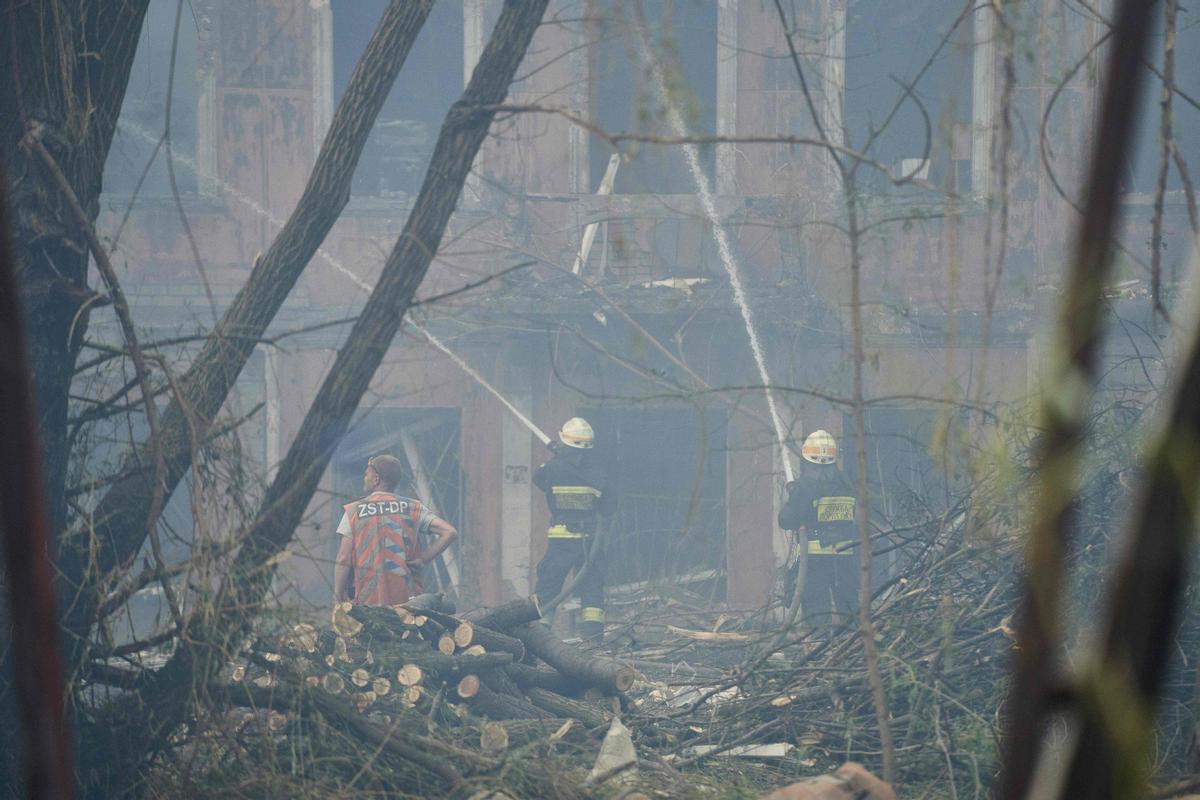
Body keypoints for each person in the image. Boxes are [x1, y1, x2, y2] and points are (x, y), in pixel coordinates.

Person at [334, 454, 458, 606]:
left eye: (367, 474)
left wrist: (338, 595)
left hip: (369, 600)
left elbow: (343, 558)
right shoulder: (413, 507)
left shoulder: (354, 511)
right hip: (410, 601)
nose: (364, 478)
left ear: (376, 479)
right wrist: (423, 559)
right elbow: (450, 532)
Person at [532, 417, 616, 640]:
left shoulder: (552, 468)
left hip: (562, 539)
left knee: (549, 586)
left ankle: (539, 639)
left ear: (565, 443)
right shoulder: (599, 474)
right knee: (592, 589)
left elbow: (538, 479)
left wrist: (558, 459)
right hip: (590, 541)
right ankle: (594, 643)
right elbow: (609, 507)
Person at [778, 430, 859, 623]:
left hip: (815, 560)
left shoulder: (807, 486)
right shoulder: (846, 484)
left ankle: (819, 647)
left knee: (816, 610)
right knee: (849, 609)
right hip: (845, 558)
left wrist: (794, 495)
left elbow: (787, 521)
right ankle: (853, 649)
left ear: (807, 462)